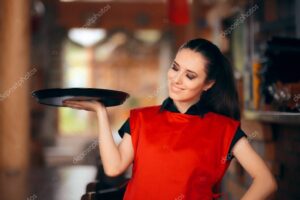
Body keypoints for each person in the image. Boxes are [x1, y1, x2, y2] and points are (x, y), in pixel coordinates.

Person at [63, 38, 277, 200]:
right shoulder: (141, 119)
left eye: (190, 75)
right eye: (175, 68)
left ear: (208, 83)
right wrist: (101, 112)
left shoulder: (224, 129)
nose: (177, 79)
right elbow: (113, 168)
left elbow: (266, 181)